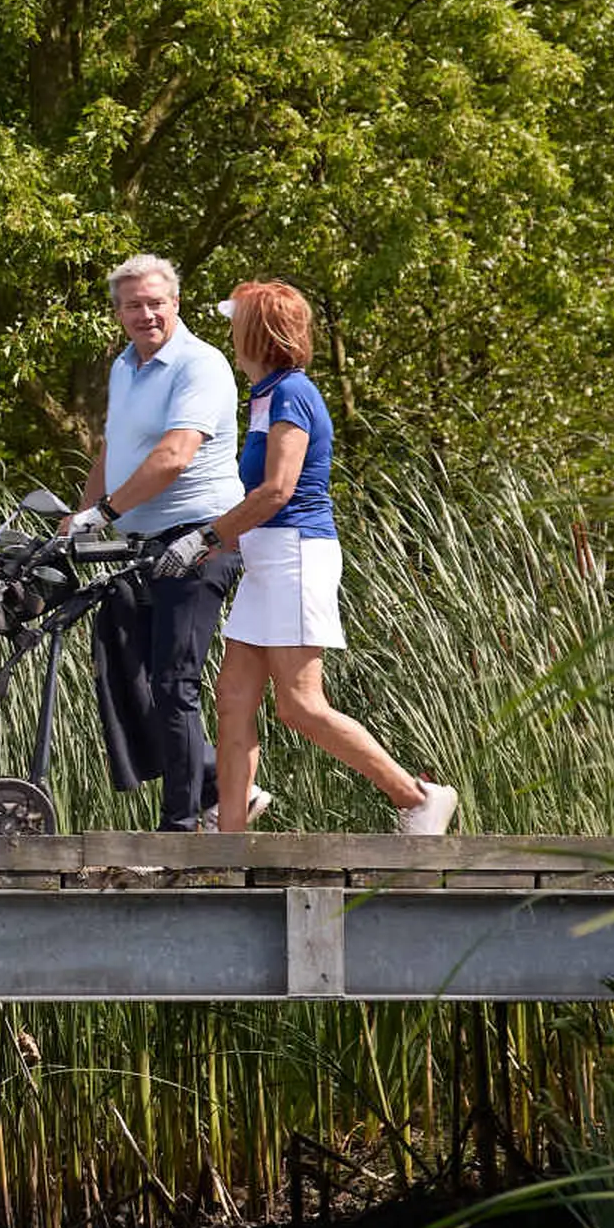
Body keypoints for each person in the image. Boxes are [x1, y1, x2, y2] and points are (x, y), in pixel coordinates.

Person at [197, 279, 457, 837]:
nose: (229, 332)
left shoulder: (292, 393)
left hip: (295, 556)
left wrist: (207, 539)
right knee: (233, 698)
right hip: (268, 561)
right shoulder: (267, 395)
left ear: (255, 332)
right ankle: (230, 841)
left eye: (235, 322)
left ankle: (416, 797)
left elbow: (277, 491)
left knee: (299, 705)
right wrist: (219, 537)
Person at [63, 254, 246, 830]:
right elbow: (112, 454)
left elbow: (175, 455)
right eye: (134, 305)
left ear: (176, 304)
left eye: (156, 303)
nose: (146, 314)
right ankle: (214, 783)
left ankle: (182, 829)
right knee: (125, 671)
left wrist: (107, 511)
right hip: (141, 546)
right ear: (118, 314)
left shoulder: (201, 365)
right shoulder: (125, 367)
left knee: (174, 682)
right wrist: (79, 518)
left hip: (200, 541)